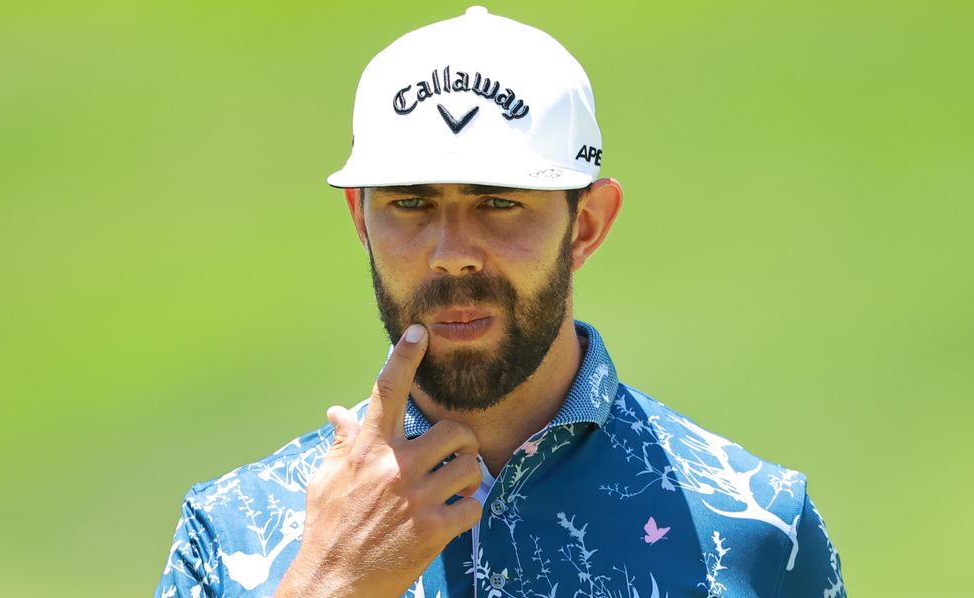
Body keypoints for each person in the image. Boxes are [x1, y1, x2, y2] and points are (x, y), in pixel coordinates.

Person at [154, 6, 846, 597]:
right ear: (361, 221)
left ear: (588, 225)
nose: (453, 251)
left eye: (499, 203)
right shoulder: (232, 531)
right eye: (412, 203)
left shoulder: (757, 529)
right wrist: (330, 583)